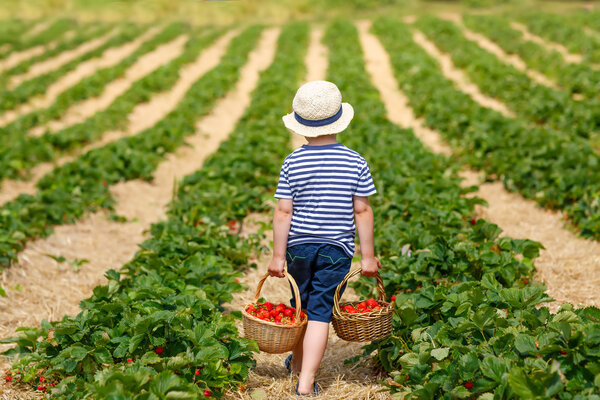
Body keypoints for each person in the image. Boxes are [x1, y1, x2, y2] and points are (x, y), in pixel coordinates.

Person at [267, 80, 381, 396]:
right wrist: (367, 256)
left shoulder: (293, 161)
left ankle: (298, 364)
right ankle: (305, 382)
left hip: (298, 248)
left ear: (302, 125)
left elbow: (283, 212)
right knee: (319, 313)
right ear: (339, 121)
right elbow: (362, 211)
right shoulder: (355, 161)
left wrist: (278, 255)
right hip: (336, 249)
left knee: (299, 306)